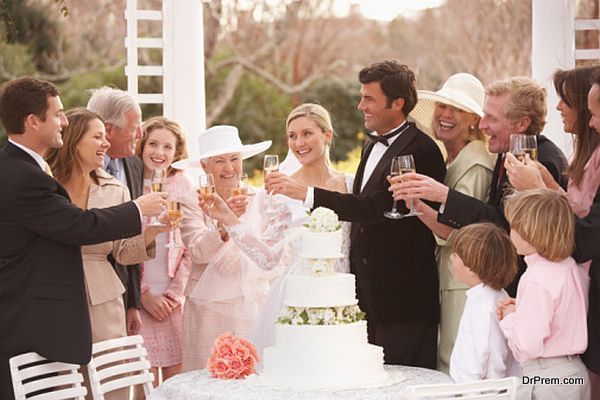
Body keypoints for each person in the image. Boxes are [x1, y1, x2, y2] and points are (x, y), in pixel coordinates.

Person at [266, 60, 446, 368]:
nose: (360, 105)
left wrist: (305, 193)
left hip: (402, 298)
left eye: (369, 98)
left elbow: (375, 208)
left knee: (402, 382)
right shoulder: (371, 145)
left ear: (398, 103)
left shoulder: (422, 150)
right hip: (367, 296)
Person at [0, 77, 164, 400]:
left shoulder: (20, 168)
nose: (64, 120)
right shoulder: (25, 177)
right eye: (58, 114)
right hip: (31, 315)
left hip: (69, 310)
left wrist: (150, 230)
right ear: (33, 122)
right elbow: (78, 225)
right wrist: (136, 208)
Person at [390, 76, 569, 296]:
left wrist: (444, 195)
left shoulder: (544, 161)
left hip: (525, 293)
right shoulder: (505, 154)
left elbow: (505, 226)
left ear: (522, 123)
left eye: (491, 118)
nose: (482, 125)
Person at [196, 103, 353, 353]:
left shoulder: (351, 184)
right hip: (295, 298)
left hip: (344, 295)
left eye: (306, 133)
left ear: (328, 134)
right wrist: (228, 218)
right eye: (292, 136)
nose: (298, 142)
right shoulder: (279, 192)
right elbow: (269, 259)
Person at [46, 108, 168, 400]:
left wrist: (152, 233)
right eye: (98, 137)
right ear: (75, 140)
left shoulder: (116, 190)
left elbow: (123, 253)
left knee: (110, 382)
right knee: (62, 382)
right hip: (53, 292)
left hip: (103, 299)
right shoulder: (45, 185)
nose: (105, 144)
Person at [409, 73, 495, 373]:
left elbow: (463, 231)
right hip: (447, 277)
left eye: (456, 109)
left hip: (462, 280)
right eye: (443, 106)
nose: (445, 115)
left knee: (455, 363)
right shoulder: (451, 157)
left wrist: (415, 205)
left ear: (474, 119)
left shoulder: (476, 161)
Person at [174, 125, 272, 371]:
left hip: (251, 301)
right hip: (207, 307)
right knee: (206, 378)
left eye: (234, 159)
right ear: (205, 166)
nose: (229, 168)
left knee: (252, 378)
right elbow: (197, 251)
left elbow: (268, 251)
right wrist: (225, 224)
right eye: (220, 161)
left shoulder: (258, 198)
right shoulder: (191, 200)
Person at [498, 189, 590, 400]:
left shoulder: (536, 279)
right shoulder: (571, 267)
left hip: (546, 377)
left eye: (513, 226)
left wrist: (511, 316)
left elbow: (527, 347)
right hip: (574, 372)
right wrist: (522, 308)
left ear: (530, 233)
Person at [135, 116, 192, 392]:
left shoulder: (183, 185)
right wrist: (143, 294)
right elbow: (121, 244)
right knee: (141, 384)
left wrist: (173, 295)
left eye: (167, 147)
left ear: (177, 152)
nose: (159, 153)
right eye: (153, 144)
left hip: (172, 303)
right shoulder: (129, 183)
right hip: (139, 301)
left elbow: (191, 247)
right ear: (142, 145)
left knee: (174, 386)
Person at [87, 86, 145, 336]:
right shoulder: (74, 167)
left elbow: (130, 237)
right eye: (134, 129)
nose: (141, 135)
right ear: (108, 130)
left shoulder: (134, 165)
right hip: (86, 292)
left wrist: (133, 302)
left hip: (120, 292)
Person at [448, 222, 519, 382]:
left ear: (471, 268)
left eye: (455, 254)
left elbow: (491, 357)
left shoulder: (485, 306)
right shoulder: (487, 296)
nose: (451, 258)